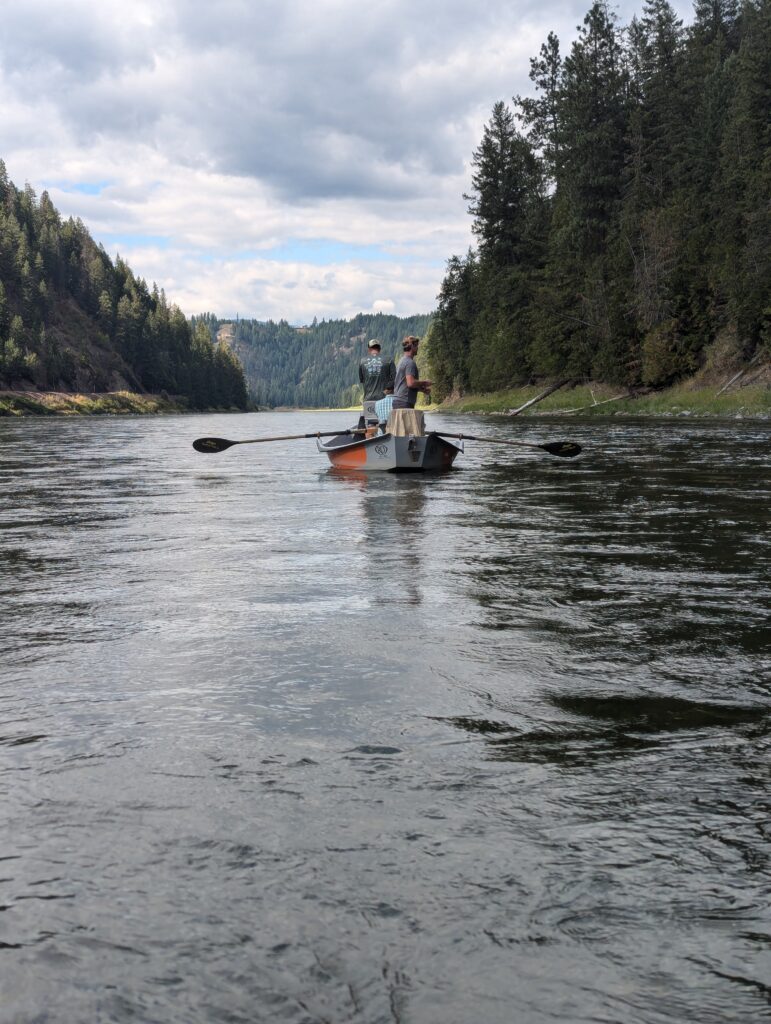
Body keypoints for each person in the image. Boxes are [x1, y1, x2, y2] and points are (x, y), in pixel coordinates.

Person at [359, 340, 395, 426]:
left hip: (368, 400)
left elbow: (362, 380)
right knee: (387, 425)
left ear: (369, 349)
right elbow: (395, 379)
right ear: (379, 348)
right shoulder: (388, 360)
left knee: (370, 426)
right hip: (384, 401)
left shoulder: (362, 362)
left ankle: (371, 438)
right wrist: (388, 388)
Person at [392, 336, 432, 409]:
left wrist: (421, 389)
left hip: (397, 401)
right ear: (412, 346)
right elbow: (411, 383)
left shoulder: (401, 361)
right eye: (416, 345)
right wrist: (424, 382)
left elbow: (404, 384)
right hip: (405, 402)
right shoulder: (410, 363)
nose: (417, 348)